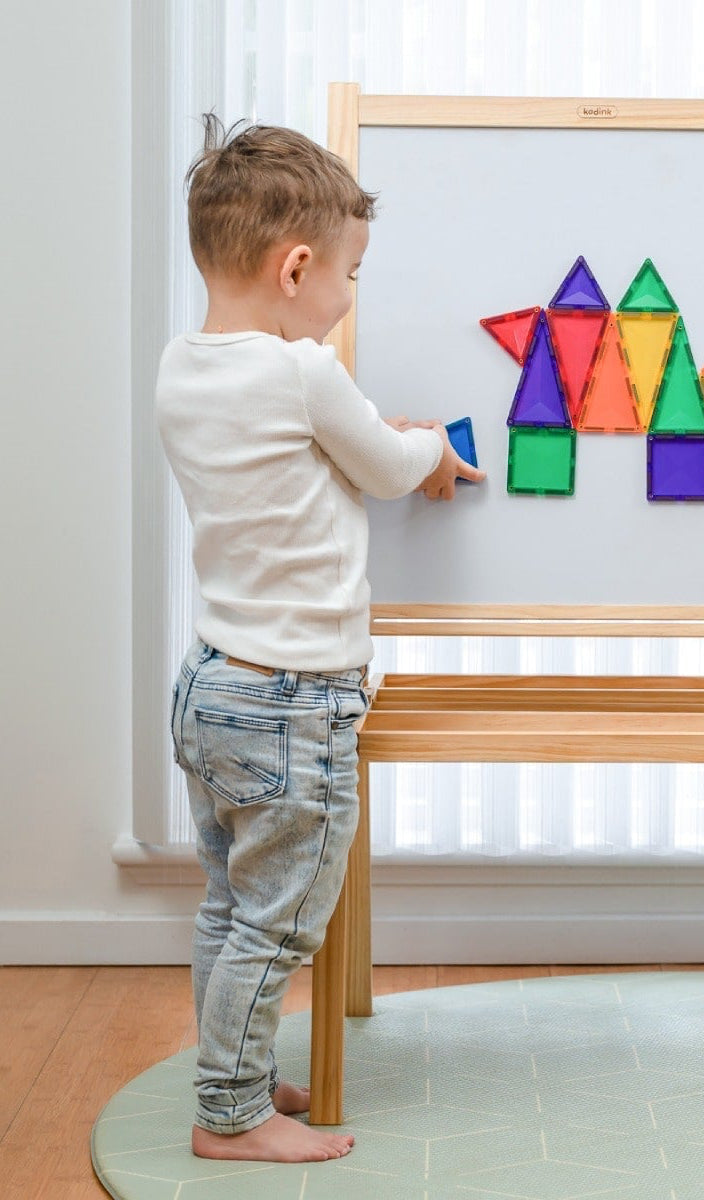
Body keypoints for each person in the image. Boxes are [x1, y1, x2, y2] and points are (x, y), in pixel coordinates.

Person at [156, 115, 485, 1164]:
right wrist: (433, 446)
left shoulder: (181, 369)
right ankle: (232, 1118)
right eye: (351, 272)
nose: (350, 296)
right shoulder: (303, 375)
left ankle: (233, 1073)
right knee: (281, 921)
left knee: (228, 906)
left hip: (212, 686)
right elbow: (389, 466)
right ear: (296, 268)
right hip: (295, 701)